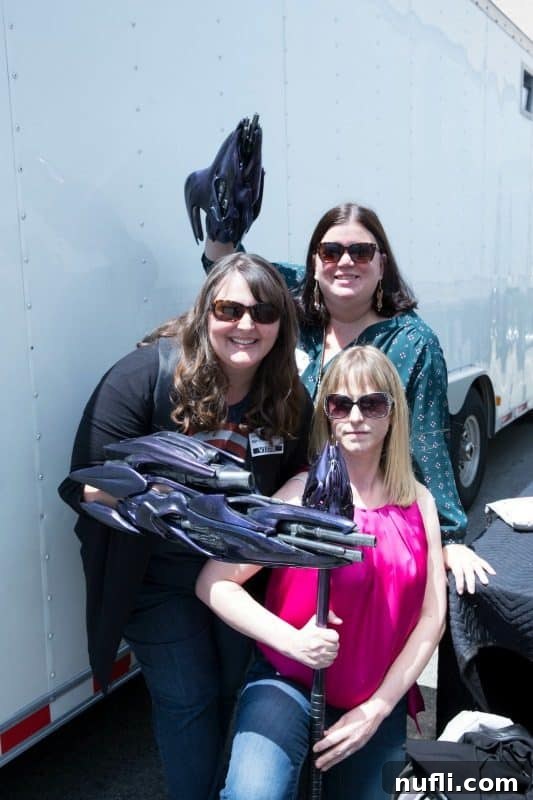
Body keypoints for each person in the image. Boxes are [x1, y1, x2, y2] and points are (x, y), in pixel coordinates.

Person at [58, 252, 314, 800]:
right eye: (230, 308)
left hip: (236, 574)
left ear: (281, 323)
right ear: (206, 312)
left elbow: (304, 469)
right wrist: (178, 496)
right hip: (153, 574)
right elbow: (86, 486)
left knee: (229, 687)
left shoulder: (287, 392)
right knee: (188, 695)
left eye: (264, 311)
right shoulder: (144, 376)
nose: (246, 324)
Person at [202, 202, 495, 595]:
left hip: (350, 528)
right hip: (275, 509)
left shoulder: (411, 342)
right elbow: (236, 281)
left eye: (361, 251)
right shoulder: (295, 315)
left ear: (381, 264)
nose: (345, 262)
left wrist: (450, 539)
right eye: (331, 251)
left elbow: (426, 445)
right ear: (315, 263)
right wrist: (220, 225)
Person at [196, 344, 447, 800]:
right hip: (288, 681)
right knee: (253, 794)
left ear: (393, 414)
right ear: (327, 413)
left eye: (372, 403)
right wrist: (292, 640)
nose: (356, 416)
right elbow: (214, 582)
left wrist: (378, 709)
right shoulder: (300, 497)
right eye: (341, 403)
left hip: (376, 696)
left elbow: (432, 618)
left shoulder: (419, 503)